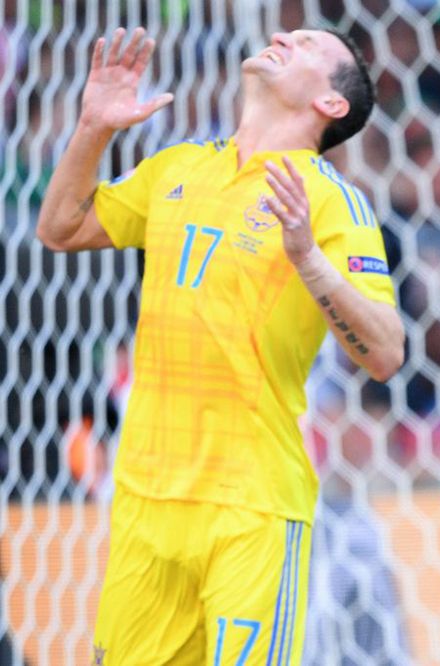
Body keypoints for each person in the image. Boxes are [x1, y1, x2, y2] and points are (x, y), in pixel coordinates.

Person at [36, 25, 404, 664]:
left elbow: (385, 354)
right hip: (145, 500)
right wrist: (94, 126)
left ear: (331, 104)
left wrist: (310, 262)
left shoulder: (330, 201)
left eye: (312, 45)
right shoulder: (177, 167)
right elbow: (60, 228)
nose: (286, 35)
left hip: (251, 506)